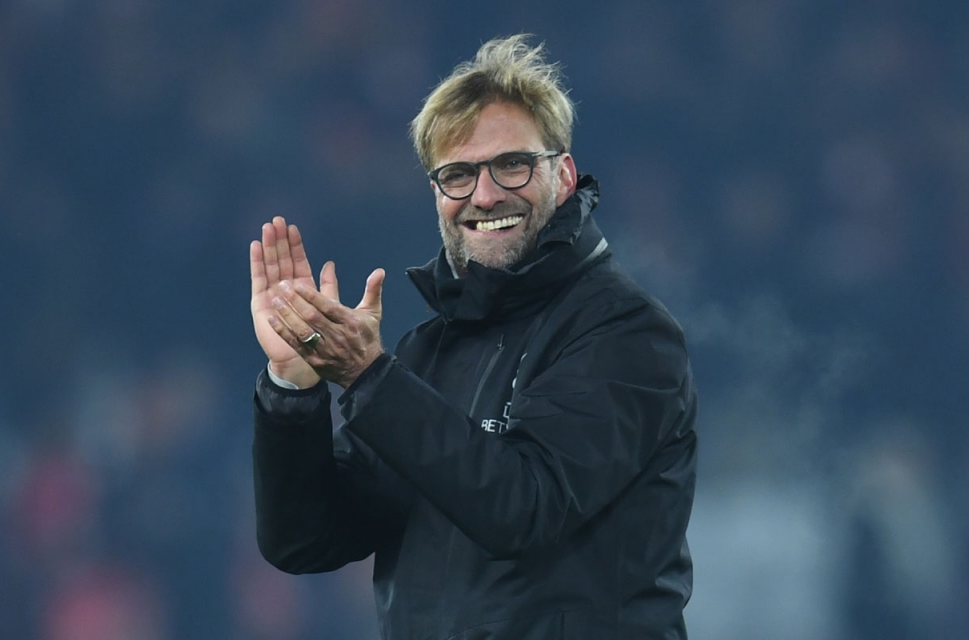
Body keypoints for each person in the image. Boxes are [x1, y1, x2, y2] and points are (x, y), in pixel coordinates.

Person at [249, 34, 698, 640]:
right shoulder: (426, 353)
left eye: (512, 165)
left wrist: (367, 376)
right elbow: (306, 541)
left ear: (563, 176)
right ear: (436, 196)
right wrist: (294, 391)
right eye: (457, 175)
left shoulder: (626, 333)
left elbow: (523, 508)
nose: (484, 196)